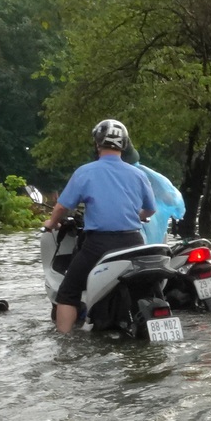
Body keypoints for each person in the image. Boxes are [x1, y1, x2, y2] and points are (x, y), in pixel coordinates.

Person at [41, 119, 155, 333]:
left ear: (97, 143)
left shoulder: (86, 172)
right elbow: (150, 210)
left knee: (69, 291)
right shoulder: (139, 174)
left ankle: (64, 343)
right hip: (134, 243)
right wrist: (136, 215)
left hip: (100, 244)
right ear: (125, 145)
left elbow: (62, 208)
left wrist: (51, 223)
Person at [125, 147, 187, 244]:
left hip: (135, 232)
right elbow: (172, 201)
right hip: (154, 231)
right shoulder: (146, 174)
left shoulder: (112, 176)